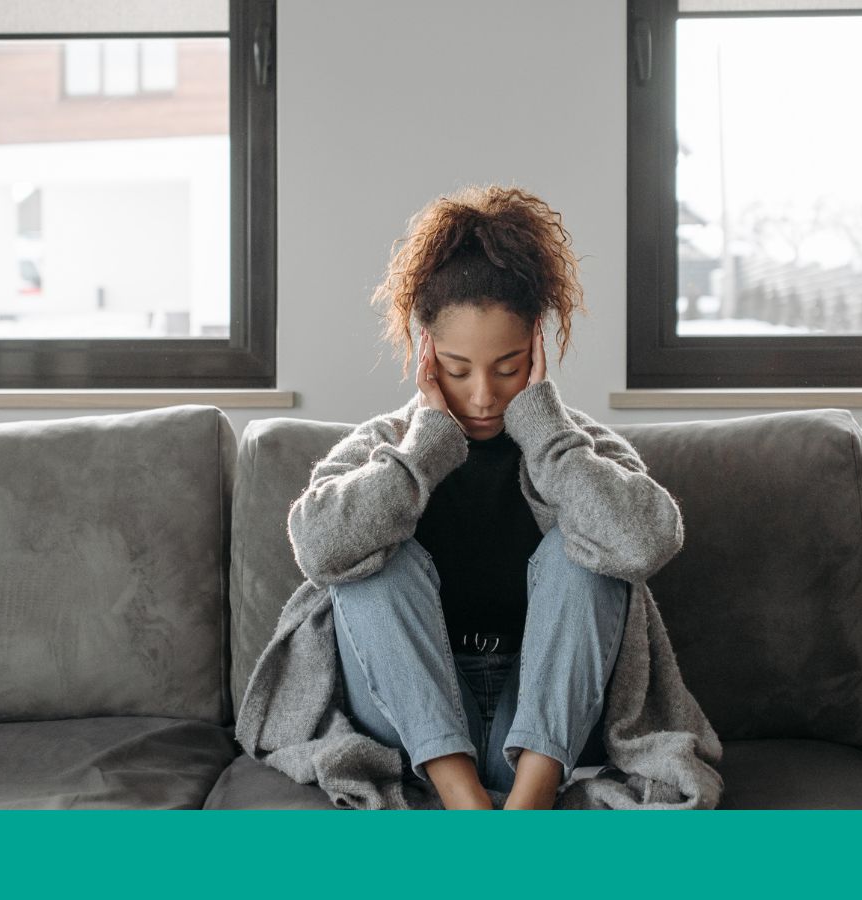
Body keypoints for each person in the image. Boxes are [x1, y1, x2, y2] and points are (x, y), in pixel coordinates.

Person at [235, 185, 723, 810]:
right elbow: (317, 547)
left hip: (545, 723)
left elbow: (646, 541)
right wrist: (421, 453)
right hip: (414, 725)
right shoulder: (386, 443)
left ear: (538, 348)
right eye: (460, 370)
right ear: (426, 352)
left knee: (589, 554)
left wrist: (547, 436)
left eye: (510, 366)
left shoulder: (576, 447)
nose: (485, 396)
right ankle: (464, 800)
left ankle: (527, 804)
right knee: (371, 565)